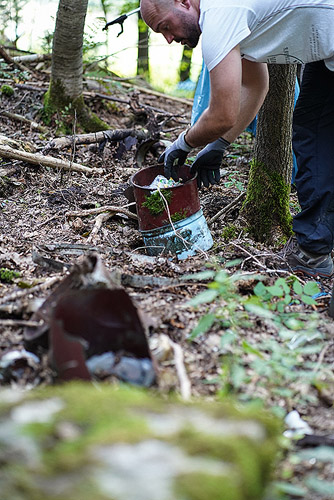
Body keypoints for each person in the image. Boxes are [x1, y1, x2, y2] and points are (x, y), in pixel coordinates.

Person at [140, 0, 334, 277]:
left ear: (182, 2)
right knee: (312, 135)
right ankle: (313, 252)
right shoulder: (227, 14)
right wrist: (219, 144)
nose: (169, 39)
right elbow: (255, 85)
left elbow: (222, 114)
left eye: (165, 27)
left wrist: (182, 144)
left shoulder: (218, 15)